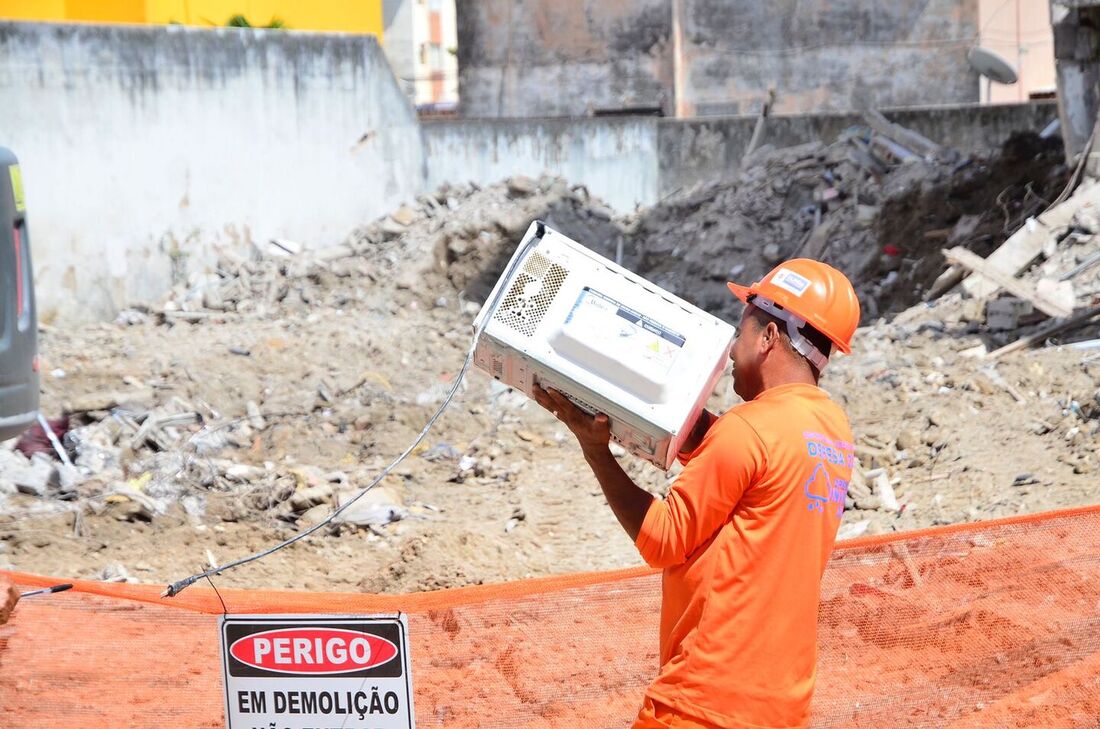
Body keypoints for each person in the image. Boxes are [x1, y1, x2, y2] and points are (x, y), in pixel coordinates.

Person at [534, 259, 860, 729]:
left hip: (702, 704)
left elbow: (662, 538)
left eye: (741, 332)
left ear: (768, 337)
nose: (731, 350)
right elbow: (746, 467)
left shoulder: (748, 430)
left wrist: (595, 450)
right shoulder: (831, 431)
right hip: (780, 707)